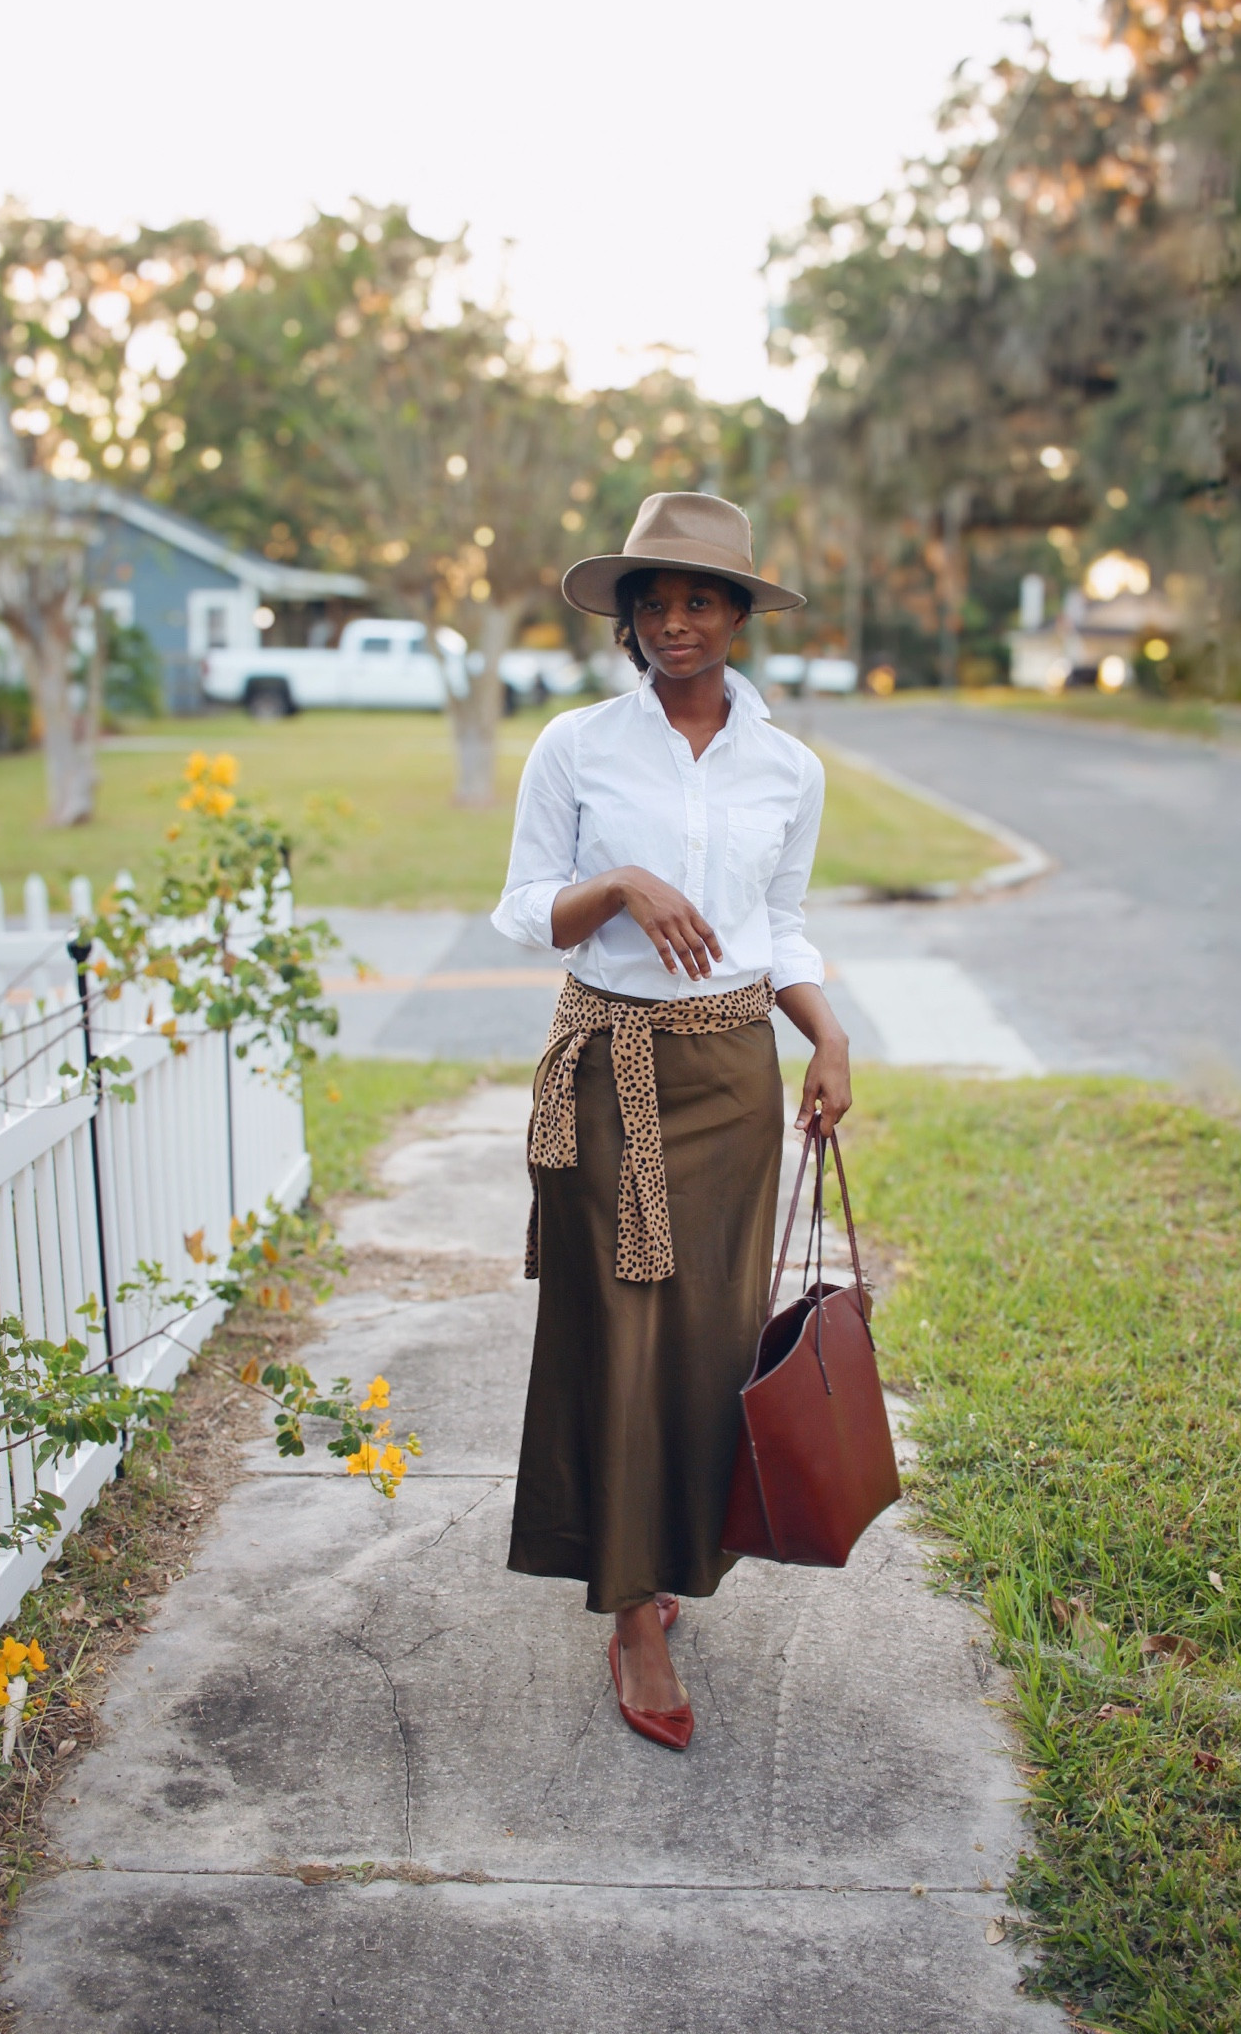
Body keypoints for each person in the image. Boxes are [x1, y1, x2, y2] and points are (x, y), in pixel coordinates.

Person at [491, 492, 851, 1751]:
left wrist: (830, 1031)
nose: (676, 619)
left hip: (734, 1084)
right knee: (617, 1331)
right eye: (655, 598)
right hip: (608, 1073)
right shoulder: (577, 746)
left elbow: (782, 923)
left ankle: (669, 1548)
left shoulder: (788, 767)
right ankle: (631, 1604)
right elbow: (527, 907)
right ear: (628, 617)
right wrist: (628, 884)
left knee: (702, 1338)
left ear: (741, 614)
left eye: (702, 597)